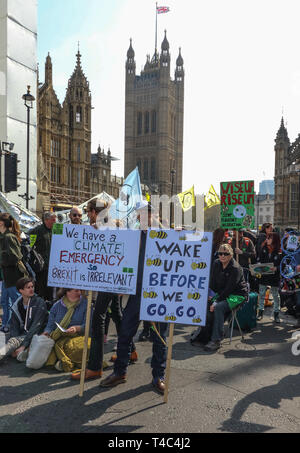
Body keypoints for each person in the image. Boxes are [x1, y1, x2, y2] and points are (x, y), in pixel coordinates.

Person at [99, 202, 168, 395]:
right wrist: (122, 284)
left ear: (155, 214)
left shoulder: (168, 236)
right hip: (137, 292)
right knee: (125, 333)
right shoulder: (134, 235)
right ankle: (120, 372)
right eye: (139, 215)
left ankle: (158, 376)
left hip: (159, 294)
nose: (142, 218)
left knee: (160, 338)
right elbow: (124, 260)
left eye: (145, 214)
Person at [71, 198, 134, 381]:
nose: (87, 215)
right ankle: (130, 351)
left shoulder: (104, 227)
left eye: (88, 211)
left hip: (107, 279)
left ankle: (94, 367)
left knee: (98, 318)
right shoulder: (111, 225)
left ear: (94, 212)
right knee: (116, 312)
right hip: (110, 278)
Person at [204, 243, 248, 352]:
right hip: (221, 293)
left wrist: (215, 301)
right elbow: (212, 283)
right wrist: (210, 295)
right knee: (205, 302)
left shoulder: (236, 268)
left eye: (226, 254)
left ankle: (216, 340)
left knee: (218, 307)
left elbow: (229, 289)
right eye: (220, 253)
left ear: (231, 255)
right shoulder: (216, 263)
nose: (222, 256)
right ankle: (205, 334)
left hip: (237, 295)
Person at [0, 277, 48, 362]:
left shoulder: (39, 302)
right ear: (20, 290)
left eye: (32, 287)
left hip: (38, 334)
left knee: (13, 342)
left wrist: (23, 345)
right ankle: (21, 352)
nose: (31, 289)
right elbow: (14, 327)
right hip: (23, 334)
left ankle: (24, 350)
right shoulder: (17, 305)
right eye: (28, 287)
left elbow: (36, 326)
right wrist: (17, 343)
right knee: (7, 339)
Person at [42, 288, 88, 372]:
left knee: (74, 346)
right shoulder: (57, 305)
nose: (80, 292)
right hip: (60, 336)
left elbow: (89, 325)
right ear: (67, 292)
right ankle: (65, 361)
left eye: (80, 290)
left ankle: (65, 362)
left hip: (79, 336)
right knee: (48, 345)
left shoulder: (86, 305)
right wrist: (46, 332)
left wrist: (77, 328)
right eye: (77, 290)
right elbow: (50, 325)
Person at [0, 213, 28, 333]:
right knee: (5, 302)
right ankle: (7, 324)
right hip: (7, 277)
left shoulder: (8, 237)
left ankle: (14, 326)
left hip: (13, 276)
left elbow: (15, 257)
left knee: (14, 303)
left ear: (1, 223)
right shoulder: (4, 237)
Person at [28, 212, 56, 301]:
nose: (55, 221)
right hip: (41, 268)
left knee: (50, 292)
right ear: (46, 220)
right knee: (40, 290)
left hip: (52, 267)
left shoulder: (55, 230)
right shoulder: (37, 230)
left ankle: (48, 310)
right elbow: (29, 244)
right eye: (53, 220)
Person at [256, 232, 282, 323]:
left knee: (275, 295)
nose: (267, 240)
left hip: (274, 276)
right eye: (267, 238)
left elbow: (284, 265)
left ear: (274, 240)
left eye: (269, 238)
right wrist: (258, 265)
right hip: (264, 275)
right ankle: (260, 313)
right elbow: (259, 259)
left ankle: (276, 314)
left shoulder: (280, 252)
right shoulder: (264, 248)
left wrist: (277, 268)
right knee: (262, 293)